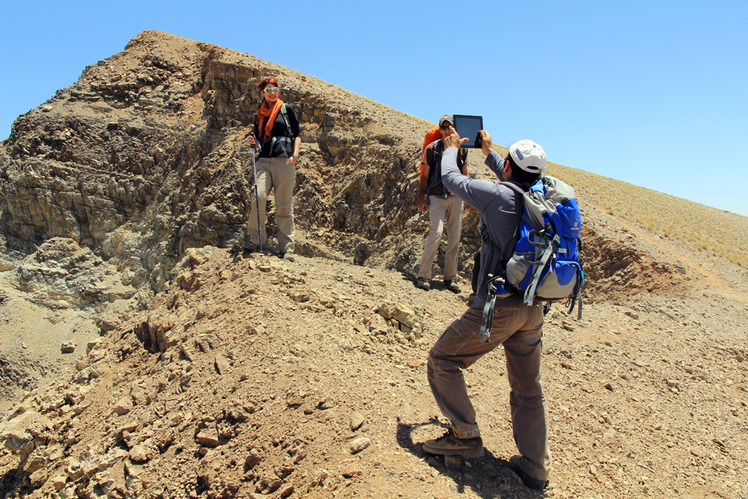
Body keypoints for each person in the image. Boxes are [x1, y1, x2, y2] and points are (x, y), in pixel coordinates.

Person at [422, 127, 551, 491]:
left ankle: (465, 436)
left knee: (443, 360)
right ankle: (535, 466)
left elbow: (449, 179)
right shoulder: (540, 198)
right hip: (533, 307)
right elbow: (512, 182)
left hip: (500, 307)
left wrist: (450, 149)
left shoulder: (496, 197)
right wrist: (490, 153)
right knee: (528, 388)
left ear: (509, 168)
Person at [246, 77, 301, 261]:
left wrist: (295, 155)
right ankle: (255, 240)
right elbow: (259, 139)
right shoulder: (259, 114)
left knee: (283, 204)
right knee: (259, 197)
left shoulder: (286, 109)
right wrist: (253, 142)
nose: (272, 92)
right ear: (262, 92)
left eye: (275, 89)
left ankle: (286, 248)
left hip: (284, 161)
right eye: (269, 89)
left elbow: (297, 134)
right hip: (263, 160)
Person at [415, 116, 468, 292]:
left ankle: (450, 278)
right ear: (439, 129)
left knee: (454, 237)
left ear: (454, 128)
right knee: (436, 233)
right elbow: (424, 175)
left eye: (449, 127)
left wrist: (470, 197)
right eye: (443, 127)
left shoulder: (461, 150)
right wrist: (421, 197)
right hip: (437, 197)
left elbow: (464, 173)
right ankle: (423, 274)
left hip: (456, 197)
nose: (446, 130)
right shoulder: (432, 149)